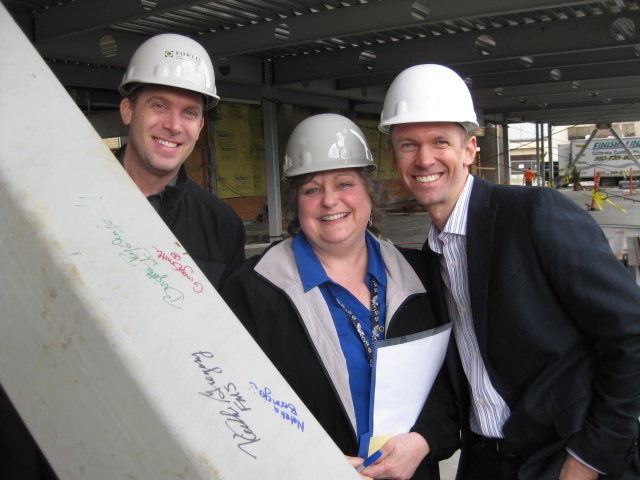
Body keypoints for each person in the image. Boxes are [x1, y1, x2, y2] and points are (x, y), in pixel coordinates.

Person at [380, 63, 640, 480]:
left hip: (564, 459)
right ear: (394, 158)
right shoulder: (429, 258)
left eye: (440, 142)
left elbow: (630, 332)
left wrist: (590, 458)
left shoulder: (533, 215)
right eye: (408, 145)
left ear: (469, 150)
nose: (424, 159)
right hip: (485, 462)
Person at [221, 113, 459, 480]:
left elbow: (454, 382)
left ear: (369, 193)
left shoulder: (420, 275)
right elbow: (232, 407)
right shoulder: (254, 289)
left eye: (345, 183)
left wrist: (426, 438)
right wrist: (306, 463)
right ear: (296, 203)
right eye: (312, 190)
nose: (330, 201)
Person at [117, 33, 245, 291]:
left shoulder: (222, 226)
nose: (174, 126)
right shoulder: (67, 199)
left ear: (200, 127)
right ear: (128, 111)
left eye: (189, 112)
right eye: (159, 106)